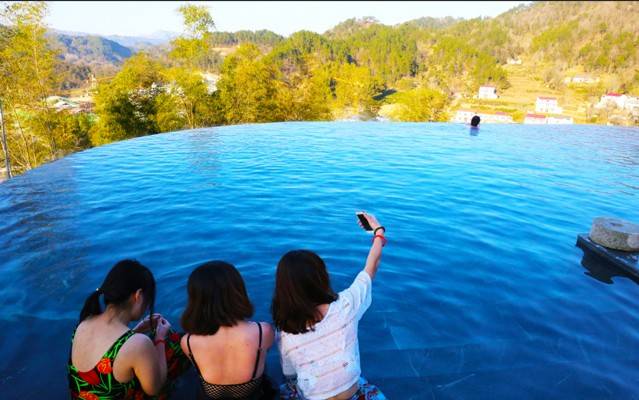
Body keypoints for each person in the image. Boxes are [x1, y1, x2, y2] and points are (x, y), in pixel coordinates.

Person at [272, 212, 387, 400]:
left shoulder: (285, 330)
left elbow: (290, 372)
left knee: (286, 386)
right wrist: (378, 232)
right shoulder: (346, 305)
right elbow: (371, 266)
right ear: (322, 277)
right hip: (353, 393)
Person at [68, 259, 189, 400]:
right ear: (138, 296)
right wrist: (160, 338)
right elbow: (154, 389)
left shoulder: (84, 322)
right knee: (176, 345)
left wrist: (135, 331)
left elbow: (111, 350)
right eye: (148, 299)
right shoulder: (139, 344)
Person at [180, 261, 276, 400]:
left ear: (196, 300)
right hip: (255, 394)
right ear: (238, 291)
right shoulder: (263, 331)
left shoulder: (187, 342)